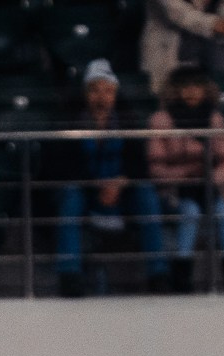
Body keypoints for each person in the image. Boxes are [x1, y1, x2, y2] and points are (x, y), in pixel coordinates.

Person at [49, 61, 170, 298]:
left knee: (146, 195)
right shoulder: (68, 123)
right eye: (95, 90)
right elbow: (61, 166)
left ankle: (158, 274)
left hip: (121, 192)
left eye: (107, 91)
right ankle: (69, 275)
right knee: (70, 197)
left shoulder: (129, 122)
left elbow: (138, 165)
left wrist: (120, 181)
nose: (101, 97)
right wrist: (96, 185)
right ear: (85, 94)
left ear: (115, 94)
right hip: (85, 191)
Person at [146, 66, 224, 294]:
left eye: (196, 86)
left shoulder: (214, 118)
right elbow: (156, 165)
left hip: (210, 187)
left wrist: (213, 179)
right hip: (175, 189)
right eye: (185, 86)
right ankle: (181, 279)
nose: (191, 91)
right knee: (189, 213)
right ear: (175, 90)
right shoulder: (161, 120)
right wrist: (184, 176)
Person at [141, 0, 224, 96]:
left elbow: (222, 5)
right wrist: (215, 24)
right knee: (172, 103)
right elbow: (180, 14)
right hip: (170, 56)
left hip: (206, 58)